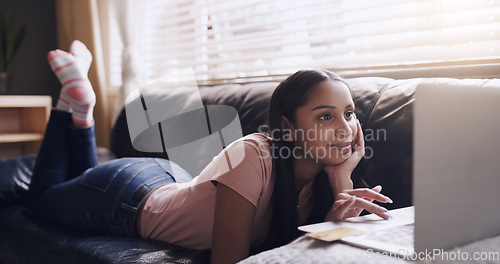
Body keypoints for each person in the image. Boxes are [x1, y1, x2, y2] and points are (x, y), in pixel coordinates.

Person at [26, 41, 393, 264]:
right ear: (287, 127)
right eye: (325, 116)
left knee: (74, 182)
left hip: (168, 178)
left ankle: (78, 107)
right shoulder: (254, 155)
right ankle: (72, 108)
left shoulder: (324, 177)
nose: (345, 128)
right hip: (128, 197)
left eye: (348, 113)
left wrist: (341, 180)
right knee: (39, 201)